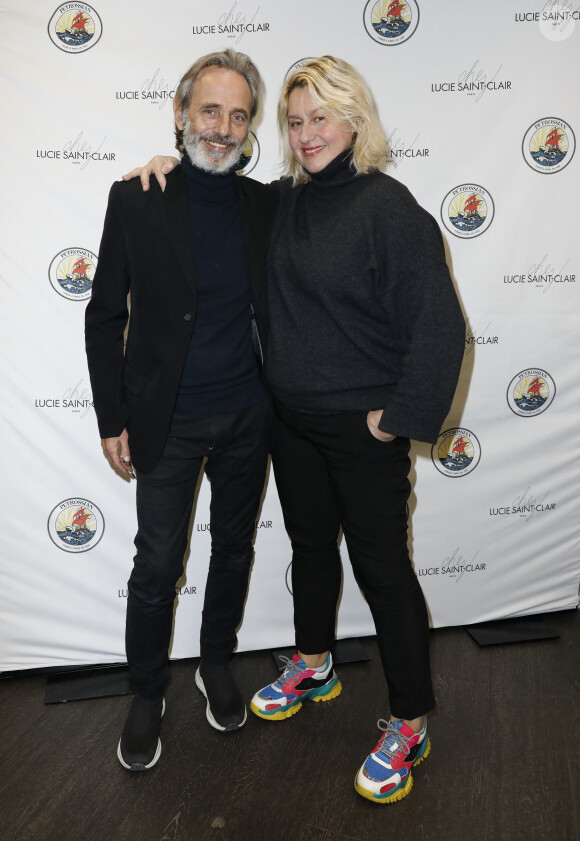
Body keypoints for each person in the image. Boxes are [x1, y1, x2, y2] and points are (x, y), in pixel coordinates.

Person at [128, 56, 465, 804]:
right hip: (289, 421)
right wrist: (167, 165)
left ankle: (410, 718)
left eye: (322, 117)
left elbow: (441, 329)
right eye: (295, 120)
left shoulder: (389, 206)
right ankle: (315, 661)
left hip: (362, 431)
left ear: (356, 121)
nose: (307, 133)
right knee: (311, 548)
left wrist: (397, 420)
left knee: (383, 570)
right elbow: (213, 192)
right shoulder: (285, 201)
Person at [85, 49, 278, 771]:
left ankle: (217, 660)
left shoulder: (266, 203)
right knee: (157, 562)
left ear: (250, 125)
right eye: (209, 110)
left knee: (233, 548)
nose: (223, 128)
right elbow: (104, 317)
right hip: (164, 420)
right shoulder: (135, 196)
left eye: (237, 115)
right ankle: (146, 691)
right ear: (180, 113)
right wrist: (111, 418)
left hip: (247, 417)